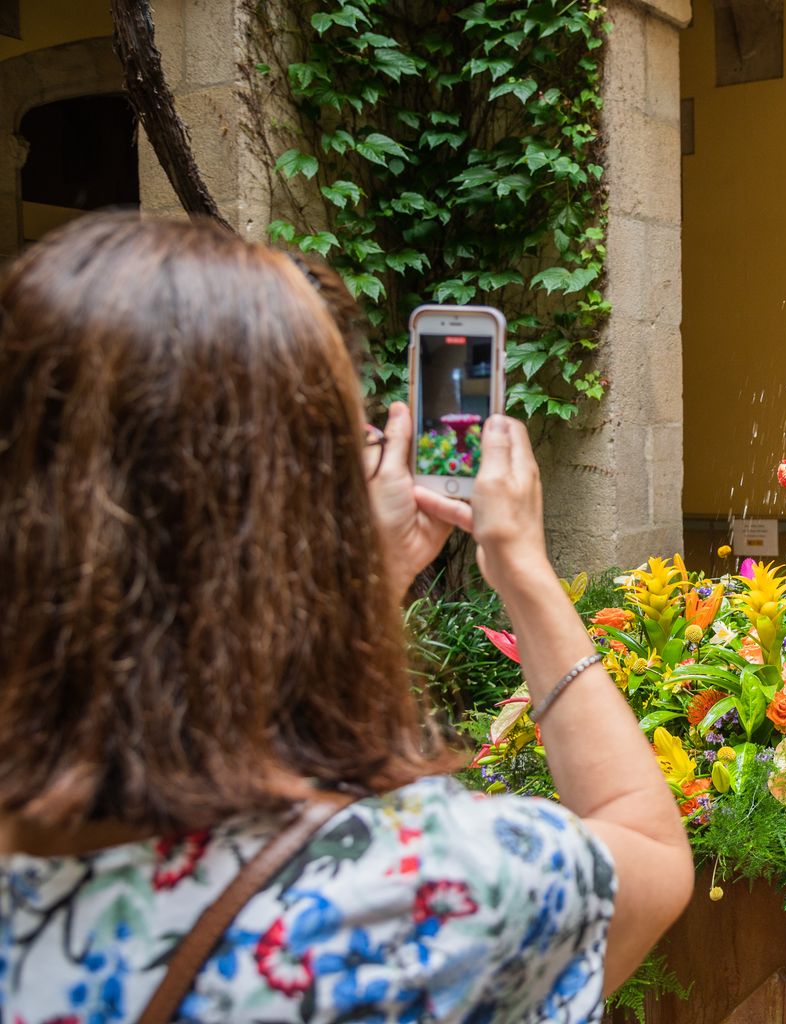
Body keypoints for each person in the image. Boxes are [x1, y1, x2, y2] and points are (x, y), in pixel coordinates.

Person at [0, 215, 694, 1022]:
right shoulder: (412, 892)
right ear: (299, 508)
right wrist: (523, 571)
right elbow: (648, 854)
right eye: (352, 435)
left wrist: (355, 575)